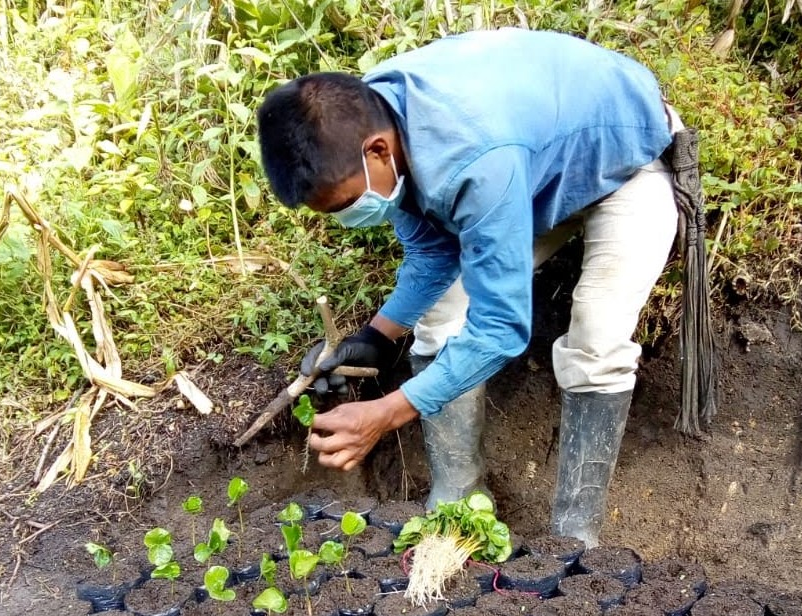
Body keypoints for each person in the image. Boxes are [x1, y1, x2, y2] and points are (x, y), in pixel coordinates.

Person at [256, 28, 713, 548]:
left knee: (598, 336)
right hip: (534, 164)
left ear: (378, 151)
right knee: (441, 313)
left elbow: (500, 329)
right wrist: (380, 335)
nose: (345, 217)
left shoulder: (470, 158)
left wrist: (386, 413)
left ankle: (574, 541)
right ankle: (458, 508)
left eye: (343, 205)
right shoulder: (377, 116)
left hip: (627, 160)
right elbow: (434, 254)